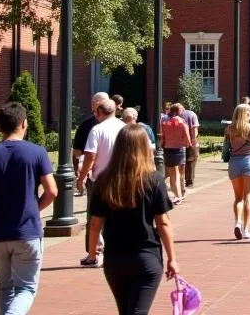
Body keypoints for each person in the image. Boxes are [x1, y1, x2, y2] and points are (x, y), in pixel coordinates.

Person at [0, 102, 57, 315]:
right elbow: (52, 191)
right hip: (26, 231)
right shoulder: (36, 152)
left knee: (5, 287)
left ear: (0, 127)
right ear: (24, 123)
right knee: (26, 287)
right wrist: (35, 209)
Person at [87, 123, 179, 315]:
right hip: (145, 255)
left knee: (126, 310)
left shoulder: (104, 180)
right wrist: (172, 258)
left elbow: (95, 223)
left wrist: (93, 252)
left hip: (115, 258)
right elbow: (162, 222)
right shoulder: (153, 180)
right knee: (137, 310)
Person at [76, 97, 125, 266]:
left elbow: (90, 155)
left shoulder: (97, 130)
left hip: (99, 180)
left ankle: (94, 253)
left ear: (99, 112)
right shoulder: (125, 128)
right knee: (119, 215)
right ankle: (117, 250)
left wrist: (82, 177)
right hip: (121, 179)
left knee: (95, 217)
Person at [223, 102, 250, 239]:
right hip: (248, 161)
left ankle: (237, 222)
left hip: (234, 162)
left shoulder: (230, 129)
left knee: (238, 197)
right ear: (246, 114)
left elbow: (227, 147)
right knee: (248, 196)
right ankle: (246, 229)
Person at [72, 92, 109, 195]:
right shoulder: (121, 125)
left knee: (94, 209)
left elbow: (78, 153)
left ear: (94, 105)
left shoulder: (86, 125)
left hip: (94, 176)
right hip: (115, 175)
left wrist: (80, 175)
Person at [158, 104, 190, 205]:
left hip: (167, 149)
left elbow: (162, 136)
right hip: (178, 149)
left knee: (172, 174)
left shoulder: (164, 121)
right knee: (177, 174)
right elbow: (187, 139)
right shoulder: (181, 122)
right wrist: (185, 143)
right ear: (178, 111)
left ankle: (174, 195)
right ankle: (178, 196)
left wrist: (163, 144)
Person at [180, 102, 200, 191]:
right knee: (191, 161)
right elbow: (194, 129)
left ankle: (181, 180)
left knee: (181, 161)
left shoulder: (173, 115)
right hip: (190, 141)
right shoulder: (192, 114)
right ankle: (189, 181)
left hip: (178, 141)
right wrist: (193, 140)